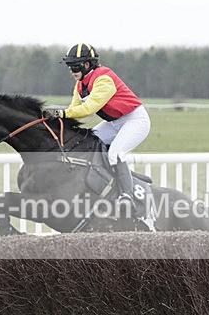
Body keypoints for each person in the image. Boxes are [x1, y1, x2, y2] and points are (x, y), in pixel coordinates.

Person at [43, 43, 151, 211]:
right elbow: (74, 110)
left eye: (75, 66)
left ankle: (127, 196)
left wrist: (60, 114)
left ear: (87, 64)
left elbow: (88, 109)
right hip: (115, 122)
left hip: (135, 120)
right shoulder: (80, 85)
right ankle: (115, 180)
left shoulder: (103, 79)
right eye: (69, 67)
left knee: (115, 154)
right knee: (87, 144)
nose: (72, 71)